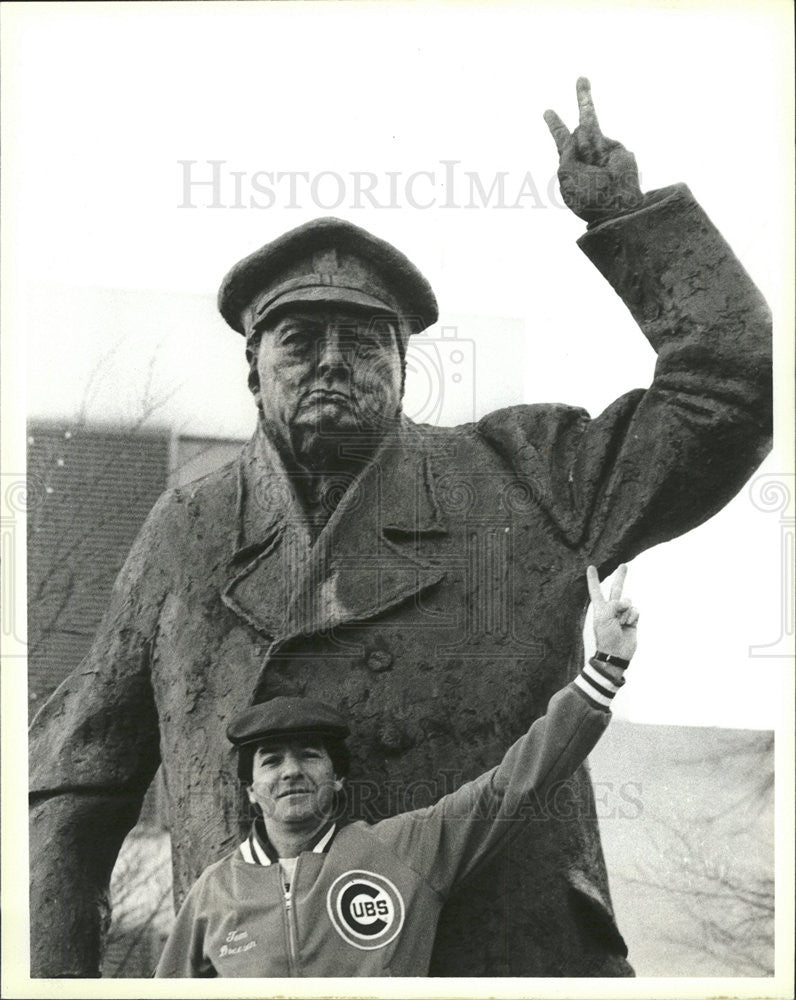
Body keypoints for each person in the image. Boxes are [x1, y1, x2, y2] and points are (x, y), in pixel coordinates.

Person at [29, 78, 771, 977]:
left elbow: (728, 389)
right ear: (254, 375)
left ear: (404, 365)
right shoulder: (184, 532)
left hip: (505, 965)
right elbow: (75, 787)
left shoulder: (526, 476)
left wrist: (632, 221)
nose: (332, 362)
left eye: (364, 340)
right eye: (300, 340)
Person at [155, 566, 639, 977]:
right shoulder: (213, 894)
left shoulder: (404, 850)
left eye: (309, 755)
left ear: (338, 777)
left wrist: (606, 666)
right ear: (249, 789)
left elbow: (510, 787)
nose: (291, 772)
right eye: (272, 760)